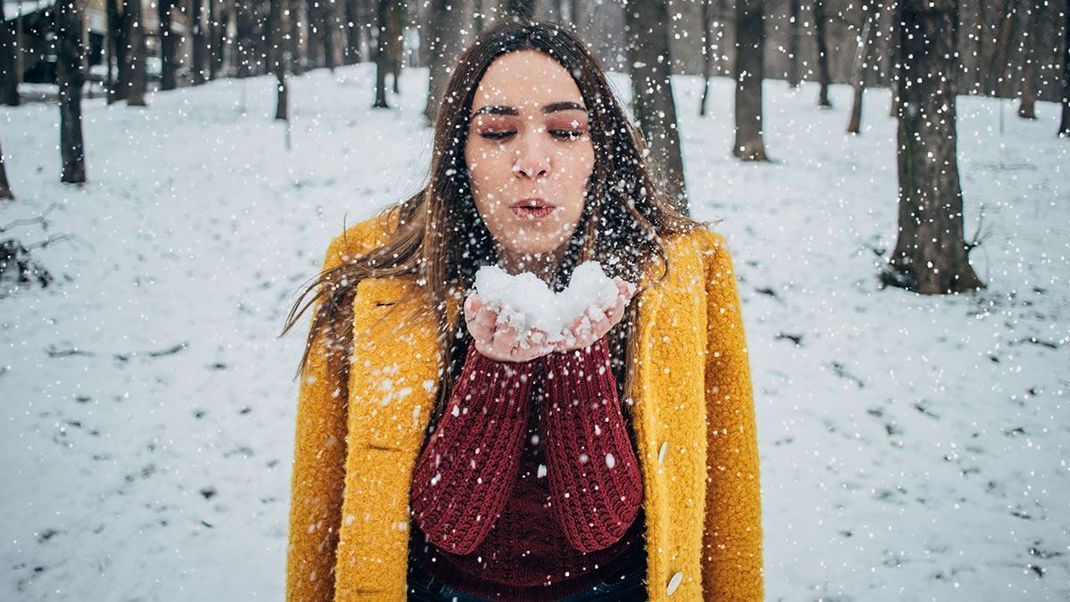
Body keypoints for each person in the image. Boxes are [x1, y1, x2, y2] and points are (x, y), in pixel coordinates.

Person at [282, 20, 763, 602]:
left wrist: (577, 359)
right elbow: (405, 525)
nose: (532, 161)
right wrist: (495, 371)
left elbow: (670, 521)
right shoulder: (377, 275)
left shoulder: (684, 276)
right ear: (459, 155)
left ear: (598, 154)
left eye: (564, 130)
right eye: (498, 131)